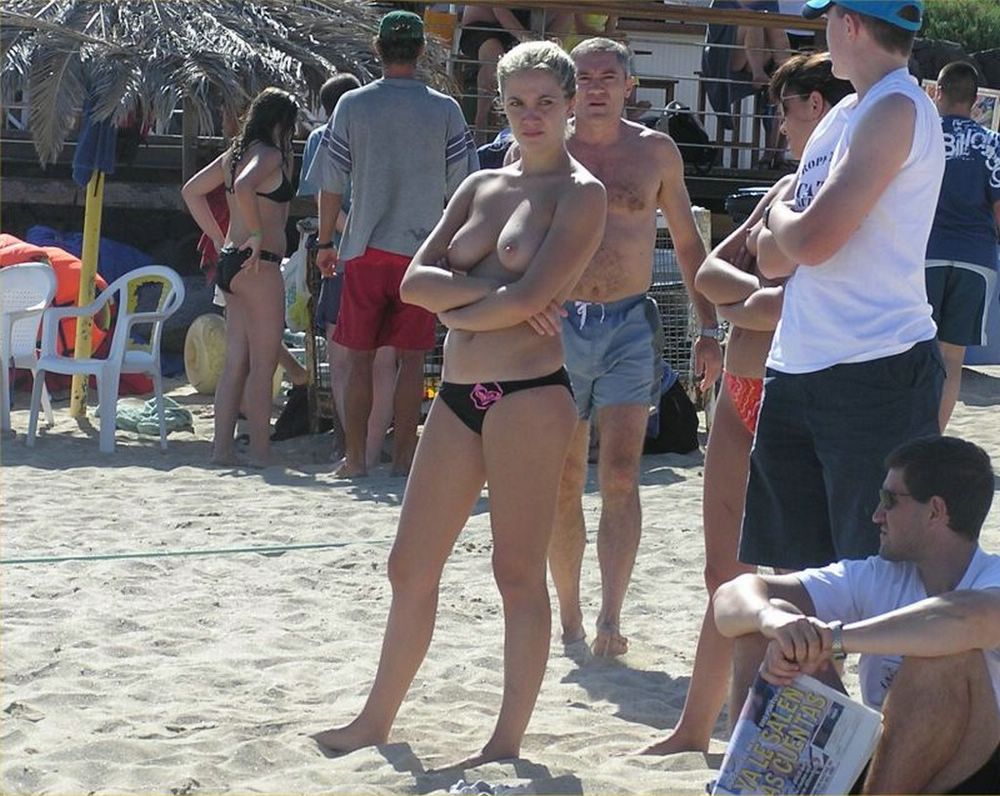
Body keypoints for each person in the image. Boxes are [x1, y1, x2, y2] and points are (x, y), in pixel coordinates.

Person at [313, 40, 607, 765]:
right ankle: (376, 718)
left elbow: (532, 298)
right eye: (518, 103)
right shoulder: (480, 183)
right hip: (457, 392)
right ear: (499, 105)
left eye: (546, 102)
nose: (531, 116)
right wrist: (493, 299)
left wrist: (470, 301)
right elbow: (415, 283)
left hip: (529, 396)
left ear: (570, 105)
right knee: (408, 567)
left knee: (516, 573)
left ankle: (504, 742)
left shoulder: (580, 193)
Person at [642, 53, 853, 755]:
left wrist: (751, 303)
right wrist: (754, 302)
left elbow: (805, 301)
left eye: (786, 110)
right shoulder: (788, 188)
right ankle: (696, 727)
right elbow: (710, 271)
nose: (778, 126)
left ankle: (775, 734)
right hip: (740, 389)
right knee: (723, 573)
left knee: (794, 583)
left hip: (795, 392)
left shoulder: (852, 193)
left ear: (818, 108)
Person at [511, 38, 722, 657]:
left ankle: (611, 614)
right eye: (584, 77)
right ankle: (570, 614)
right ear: (570, 88)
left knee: (624, 474)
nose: (596, 87)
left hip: (629, 322)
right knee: (564, 478)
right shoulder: (545, 148)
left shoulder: (655, 151)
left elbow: (688, 242)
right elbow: (507, 234)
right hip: (558, 323)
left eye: (608, 76)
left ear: (630, 86)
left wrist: (708, 327)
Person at [739, 0, 945, 572]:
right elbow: (775, 260)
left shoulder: (895, 107)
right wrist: (789, 230)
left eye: (827, 18)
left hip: (873, 371)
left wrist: (777, 213)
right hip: (800, 364)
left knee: (875, 575)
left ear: (849, 24)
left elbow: (807, 242)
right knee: (795, 579)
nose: (822, 31)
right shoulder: (845, 114)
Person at [714, 435, 1000, 794]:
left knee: (944, 657)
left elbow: (965, 619)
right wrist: (776, 622)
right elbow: (730, 596)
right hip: (885, 765)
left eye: (889, 500)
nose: (876, 515)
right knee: (765, 630)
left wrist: (832, 641)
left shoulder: (992, 576)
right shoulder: (879, 574)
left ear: (935, 511)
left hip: (974, 771)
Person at [308, 10, 478, 478]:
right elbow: (464, 186)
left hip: (364, 247)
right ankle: (404, 459)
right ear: (422, 51)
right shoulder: (445, 109)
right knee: (412, 360)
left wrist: (325, 241)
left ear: (377, 50)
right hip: (422, 252)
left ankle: (355, 460)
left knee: (359, 359)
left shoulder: (352, 105)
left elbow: (330, 182)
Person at [183, 87, 300, 468]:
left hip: (232, 262)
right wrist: (257, 233)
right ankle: (261, 452)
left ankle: (222, 449)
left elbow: (192, 192)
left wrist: (220, 238)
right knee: (263, 364)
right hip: (259, 264)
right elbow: (247, 186)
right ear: (282, 122)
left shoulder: (234, 153)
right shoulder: (269, 154)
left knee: (236, 362)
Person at [298, 73, 397, 468]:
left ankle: (352, 449)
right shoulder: (388, 133)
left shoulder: (322, 138)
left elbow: (324, 201)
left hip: (343, 258)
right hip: (391, 253)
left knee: (342, 361)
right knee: (384, 362)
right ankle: (370, 450)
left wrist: (351, 238)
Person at [926, 60, 1000, 431]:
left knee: (913, 351)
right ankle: (933, 438)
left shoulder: (920, 138)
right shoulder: (992, 144)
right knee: (952, 358)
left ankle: (907, 434)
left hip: (923, 255)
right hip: (976, 259)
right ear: (974, 101)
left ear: (937, 92)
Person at [459, 6, 533, 140]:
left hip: (525, 25)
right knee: (494, 59)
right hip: (482, 28)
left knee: (562, 14)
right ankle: (481, 124)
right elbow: (499, 8)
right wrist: (528, 40)